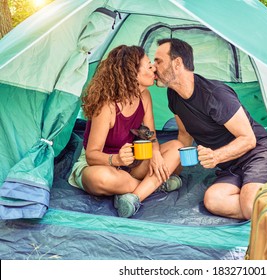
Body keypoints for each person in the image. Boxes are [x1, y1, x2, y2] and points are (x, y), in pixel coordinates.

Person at [154, 38, 267, 220]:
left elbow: (249, 139)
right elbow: (185, 135)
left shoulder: (215, 95)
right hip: (230, 165)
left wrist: (216, 156)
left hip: (256, 153)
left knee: (250, 206)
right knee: (213, 200)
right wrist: (172, 174)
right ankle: (261, 204)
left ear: (177, 63)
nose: (153, 67)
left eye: (158, 61)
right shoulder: (174, 95)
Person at [68, 45, 183, 218]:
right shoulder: (107, 106)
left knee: (177, 148)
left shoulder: (144, 96)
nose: (154, 68)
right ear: (132, 73)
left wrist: (156, 153)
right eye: (149, 65)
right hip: (102, 164)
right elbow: (92, 155)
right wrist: (116, 159)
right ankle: (154, 185)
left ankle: (134, 196)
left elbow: (150, 136)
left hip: (132, 163)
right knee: (101, 179)